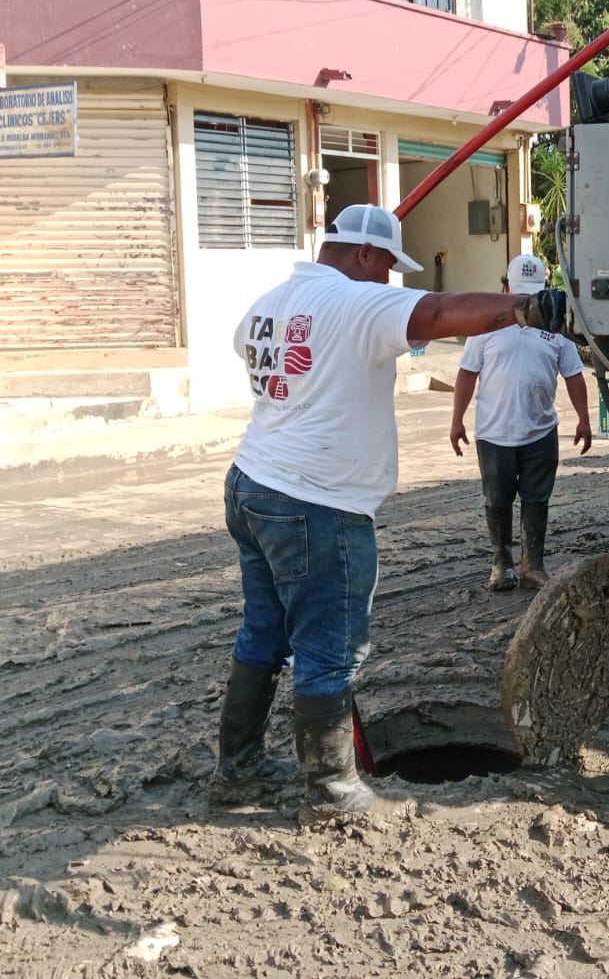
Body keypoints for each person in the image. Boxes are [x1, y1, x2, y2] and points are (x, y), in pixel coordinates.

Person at [213, 205, 566, 825]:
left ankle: (236, 767)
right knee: (329, 646)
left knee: (263, 636)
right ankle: (331, 790)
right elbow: (433, 311)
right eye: (386, 269)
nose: (386, 282)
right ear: (366, 256)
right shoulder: (354, 301)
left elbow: (265, 354)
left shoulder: (271, 302)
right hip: (316, 503)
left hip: (253, 484)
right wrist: (523, 308)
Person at [449, 253, 592, 593]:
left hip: (541, 431)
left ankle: (533, 565)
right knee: (497, 499)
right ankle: (501, 563)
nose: (527, 301)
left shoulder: (556, 330)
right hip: (495, 433)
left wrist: (584, 419)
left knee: (536, 498)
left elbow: (573, 375)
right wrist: (457, 421)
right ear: (505, 288)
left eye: (533, 293)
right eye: (519, 293)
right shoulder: (484, 326)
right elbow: (467, 374)